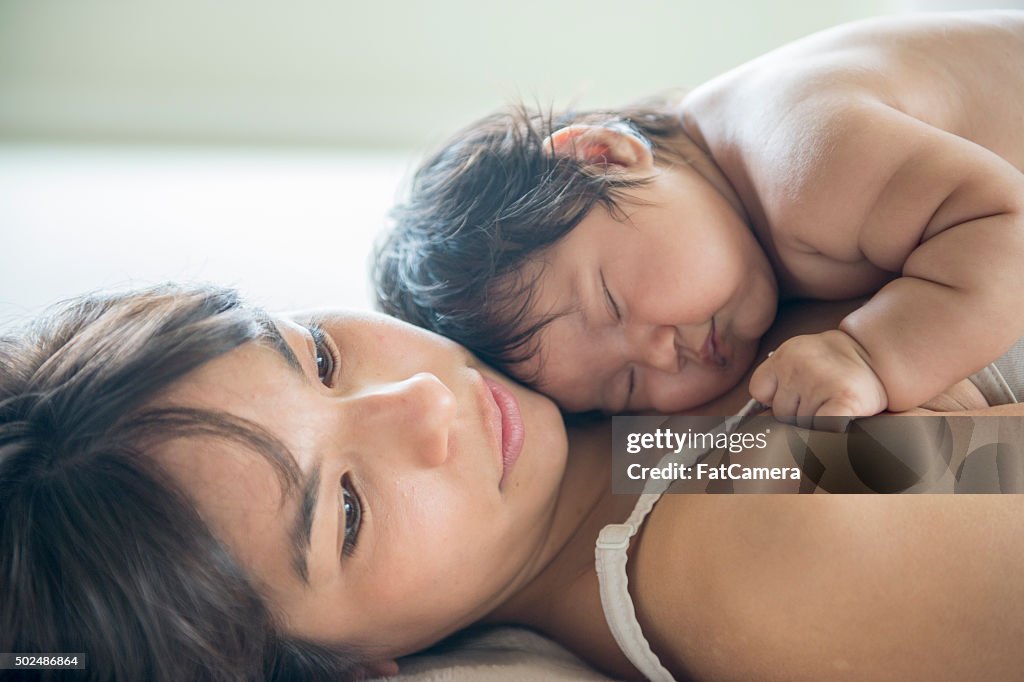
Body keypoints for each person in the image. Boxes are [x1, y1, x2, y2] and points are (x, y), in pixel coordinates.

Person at [3, 283, 1022, 681]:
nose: (420, 401)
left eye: (317, 356)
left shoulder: (625, 446)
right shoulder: (734, 545)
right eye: (347, 510)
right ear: (357, 671)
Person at [374, 10, 1024, 426]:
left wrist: (874, 356)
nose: (661, 355)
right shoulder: (730, 216)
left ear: (604, 154)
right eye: (623, 387)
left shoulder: (804, 160)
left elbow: (1007, 228)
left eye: (612, 302)